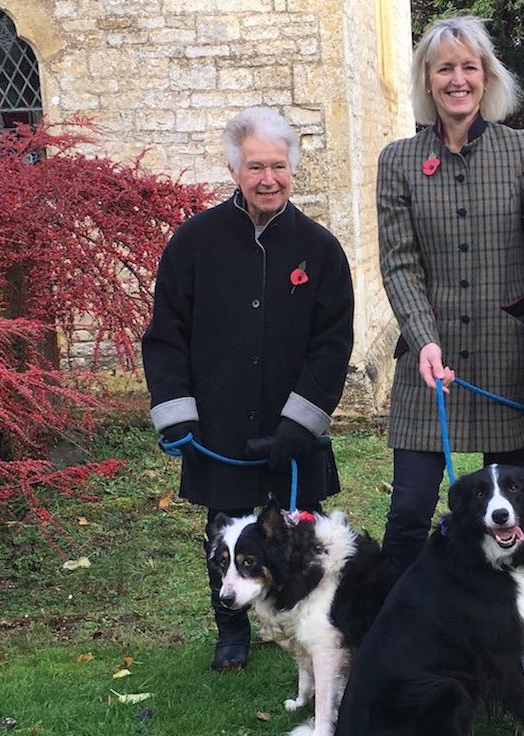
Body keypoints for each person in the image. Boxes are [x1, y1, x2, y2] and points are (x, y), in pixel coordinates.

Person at [142, 108, 354, 671]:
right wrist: (177, 415)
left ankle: (307, 627)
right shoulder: (193, 243)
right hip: (219, 424)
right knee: (224, 533)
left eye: (278, 166)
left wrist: (300, 422)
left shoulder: (321, 249)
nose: (268, 179)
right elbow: (165, 336)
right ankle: (231, 629)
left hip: (292, 428)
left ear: (292, 169)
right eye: (255, 166)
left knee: (301, 533)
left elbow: (332, 343)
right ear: (234, 169)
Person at [378, 16, 524, 572]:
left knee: (507, 515)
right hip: (429, 366)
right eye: (445, 68)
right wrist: (423, 339)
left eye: (470, 67)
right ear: (428, 80)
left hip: (510, 359)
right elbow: (399, 263)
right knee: (410, 511)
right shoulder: (397, 161)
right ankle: (397, 633)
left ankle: (502, 636)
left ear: (488, 78)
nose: (458, 79)